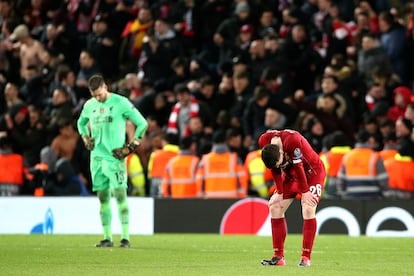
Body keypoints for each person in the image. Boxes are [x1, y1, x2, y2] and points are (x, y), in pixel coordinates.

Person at [77, 74, 148, 248]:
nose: (98, 98)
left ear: (105, 87)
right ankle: (107, 237)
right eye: (94, 96)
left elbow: (142, 123)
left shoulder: (121, 103)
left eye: (99, 94)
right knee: (102, 198)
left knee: (120, 196)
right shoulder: (89, 105)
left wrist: (131, 147)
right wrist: (85, 138)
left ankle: (125, 237)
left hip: (114, 159)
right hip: (97, 159)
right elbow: (81, 123)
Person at [258, 129, 326, 267]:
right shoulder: (264, 141)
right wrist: (280, 192)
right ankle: (278, 257)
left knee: (307, 208)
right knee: (275, 207)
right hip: (291, 176)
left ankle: (305, 258)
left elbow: (299, 166)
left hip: (312, 172)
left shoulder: (292, 140)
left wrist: (305, 191)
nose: (279, 165)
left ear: (282, 153)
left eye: (279, 162)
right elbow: (275, 169)